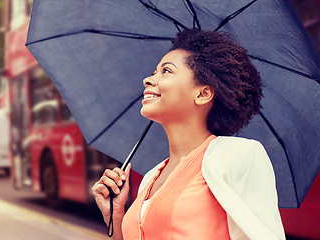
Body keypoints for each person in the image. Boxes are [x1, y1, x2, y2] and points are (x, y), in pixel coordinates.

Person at [92, 28, 285, 240]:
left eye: (166, 71)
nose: (148, 79)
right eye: (154, 71)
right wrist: (116, 217)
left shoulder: (238, 156)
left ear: (202, 94)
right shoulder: (150, 178)